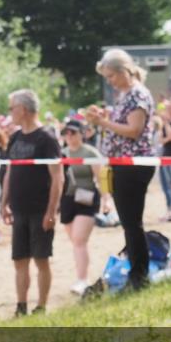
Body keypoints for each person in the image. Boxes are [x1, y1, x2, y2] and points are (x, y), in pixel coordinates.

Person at [86, 49, 156, 291]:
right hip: (122, 164)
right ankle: (137, 273)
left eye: (111, 76)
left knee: (131, 222)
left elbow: (134, 130)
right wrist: (106, 118)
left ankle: (139, 276)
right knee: (130, 222)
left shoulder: (137, 94)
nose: (110, 81)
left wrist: (103, 122)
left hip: (133, 164)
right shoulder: (126, 95)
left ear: (124, 71)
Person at [0, 90, 63, 316]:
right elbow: (10, 172)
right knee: (20, 260)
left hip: (40, 209)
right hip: (19, 209)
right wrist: (4, 202)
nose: (10, 113)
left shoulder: (46, 138)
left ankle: (41, 306)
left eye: (12, 108)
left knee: (41, 260)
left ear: (23, 109)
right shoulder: (15, 137)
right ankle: (21, 306)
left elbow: (58, 177)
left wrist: (51, 211)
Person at [59, 119, 103, 295]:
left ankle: (82, 280)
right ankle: (82, 276)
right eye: (66, 133)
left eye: (73, 132)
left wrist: (107, 200)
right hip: (67, 200)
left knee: (79, 240)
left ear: (81, 134)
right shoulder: (61, 154)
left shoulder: (90, 153)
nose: (69, 136)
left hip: (87, 199)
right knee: (76, 242)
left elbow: (101, 178)